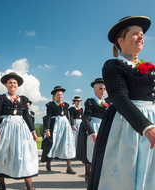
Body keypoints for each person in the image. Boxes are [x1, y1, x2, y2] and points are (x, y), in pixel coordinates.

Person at [88, 16, 155, 190]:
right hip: (127, 124)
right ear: (121, 41)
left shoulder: (150, 68)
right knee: (125, 175)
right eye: (135, 34)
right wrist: (146, 126)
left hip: (152, 119)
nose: (141, 37)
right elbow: (119, 97)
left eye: (142, 34)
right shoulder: (113, 65)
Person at [0, 72, 38, 190]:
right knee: (2, 154)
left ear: (17, 85)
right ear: (5, 85)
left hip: (21, 129)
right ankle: (2, 185)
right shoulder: (0, 98)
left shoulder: (23, 99)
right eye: (10, 83)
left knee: (24, 155)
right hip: (5, 128)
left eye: (14, 83)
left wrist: (33, 131)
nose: (12, 85)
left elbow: (27, 116)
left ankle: (29, 187)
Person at [76, 78, 109, 183]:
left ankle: (100, 174)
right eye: (100, 88)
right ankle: (88, 174)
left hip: (104, 127)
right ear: (95, 89)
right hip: (93, 126)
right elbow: (85, 119)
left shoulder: (107, 102)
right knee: (91, 151)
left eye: (104, 89)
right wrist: (92, 133)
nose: (103, 91)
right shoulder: (90, 101)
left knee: (103, 151)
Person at [42, 86, 76, 174]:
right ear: (54, 95)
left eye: (61, 95)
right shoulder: (50, 105)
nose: (60, 96)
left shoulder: (66, 105)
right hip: (55, 125)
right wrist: (47, 129)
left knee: (67, 143)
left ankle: (69, 167)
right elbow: (48, 117)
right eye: (58, 95)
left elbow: (68, 116)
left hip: (65, 125)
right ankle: (48, 162)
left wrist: (71, 125)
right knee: (52, 143)